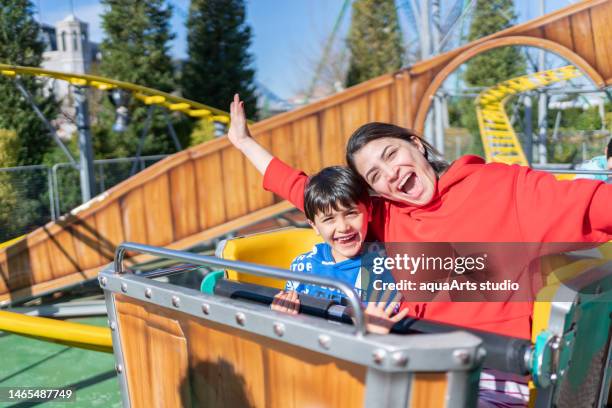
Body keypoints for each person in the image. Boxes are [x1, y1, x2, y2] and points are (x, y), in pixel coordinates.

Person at [228, 94, 611, 405]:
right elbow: (308, 192)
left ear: (416, 145)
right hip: (405, 361)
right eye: (375, 175)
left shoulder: (504, 189)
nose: (390, 173)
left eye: (391, 155)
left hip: (484, 371)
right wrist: (243, 143)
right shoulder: (389, 214)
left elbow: (594, 205)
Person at [267, 165, 408, 334]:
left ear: (369, 211)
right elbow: (292, 321)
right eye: (328, 219)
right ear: (314, 226)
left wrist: (372, 329)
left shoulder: (381, 267)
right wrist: (283, 314)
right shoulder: (304, 264)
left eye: (351, 213)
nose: (343, 227)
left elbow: (378, 328)